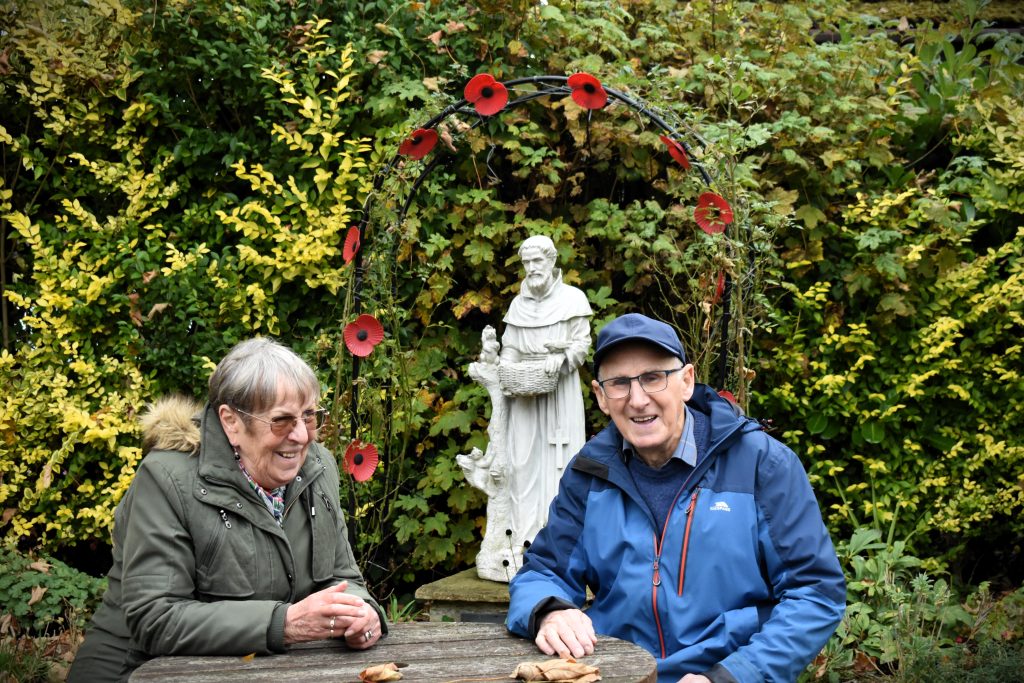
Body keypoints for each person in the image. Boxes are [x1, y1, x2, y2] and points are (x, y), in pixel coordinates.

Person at [506, 314, 845, 683]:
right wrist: (549, 610)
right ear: (601, 397)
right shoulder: (589, 472)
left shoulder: (762, 464)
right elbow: (544, 571)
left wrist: (732, 676)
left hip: (730, 670)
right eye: (619, 383)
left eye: (653, 378)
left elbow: (814, 593)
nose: (637, 400)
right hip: (618, 672)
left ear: (686, 381)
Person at [68, 338, 385, 682]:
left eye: (310, 416)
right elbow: (155, 619)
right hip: (134, 668)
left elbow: (345, 578)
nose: (301, 436)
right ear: (231, 422)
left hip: (255, 668)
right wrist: (283, 623)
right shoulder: (166, 479)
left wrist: (363, 613)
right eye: (281, 421)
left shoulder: (317, 467)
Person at [499, 235, 592, 549]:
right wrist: (507, 366)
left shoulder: (573, 299)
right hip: (523, 394)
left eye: (537, 261)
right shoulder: (517, 305)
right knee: (521, 463)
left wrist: (562, 358)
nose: (531, 268)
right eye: (526, 263)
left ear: (552, 261)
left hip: (560, 393)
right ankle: (521, 540)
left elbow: (582, 344)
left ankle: (561, 542)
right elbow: (509, 347)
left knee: (561, 463)